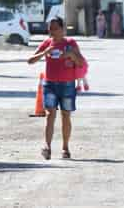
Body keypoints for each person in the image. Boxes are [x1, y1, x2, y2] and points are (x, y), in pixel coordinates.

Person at [27, 17, 83, 160]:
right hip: (50, 84)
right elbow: (30, 61)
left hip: (67, 85)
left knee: (65, 115)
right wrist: (44, 53)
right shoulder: (47, 43)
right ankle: (47, 146)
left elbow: (81, 63)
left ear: (62, 29)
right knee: (50, 115)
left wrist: (71, 55)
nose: (51, 31)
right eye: (49, 28)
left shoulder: (70, 44)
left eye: (54, 28)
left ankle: (65, 147)